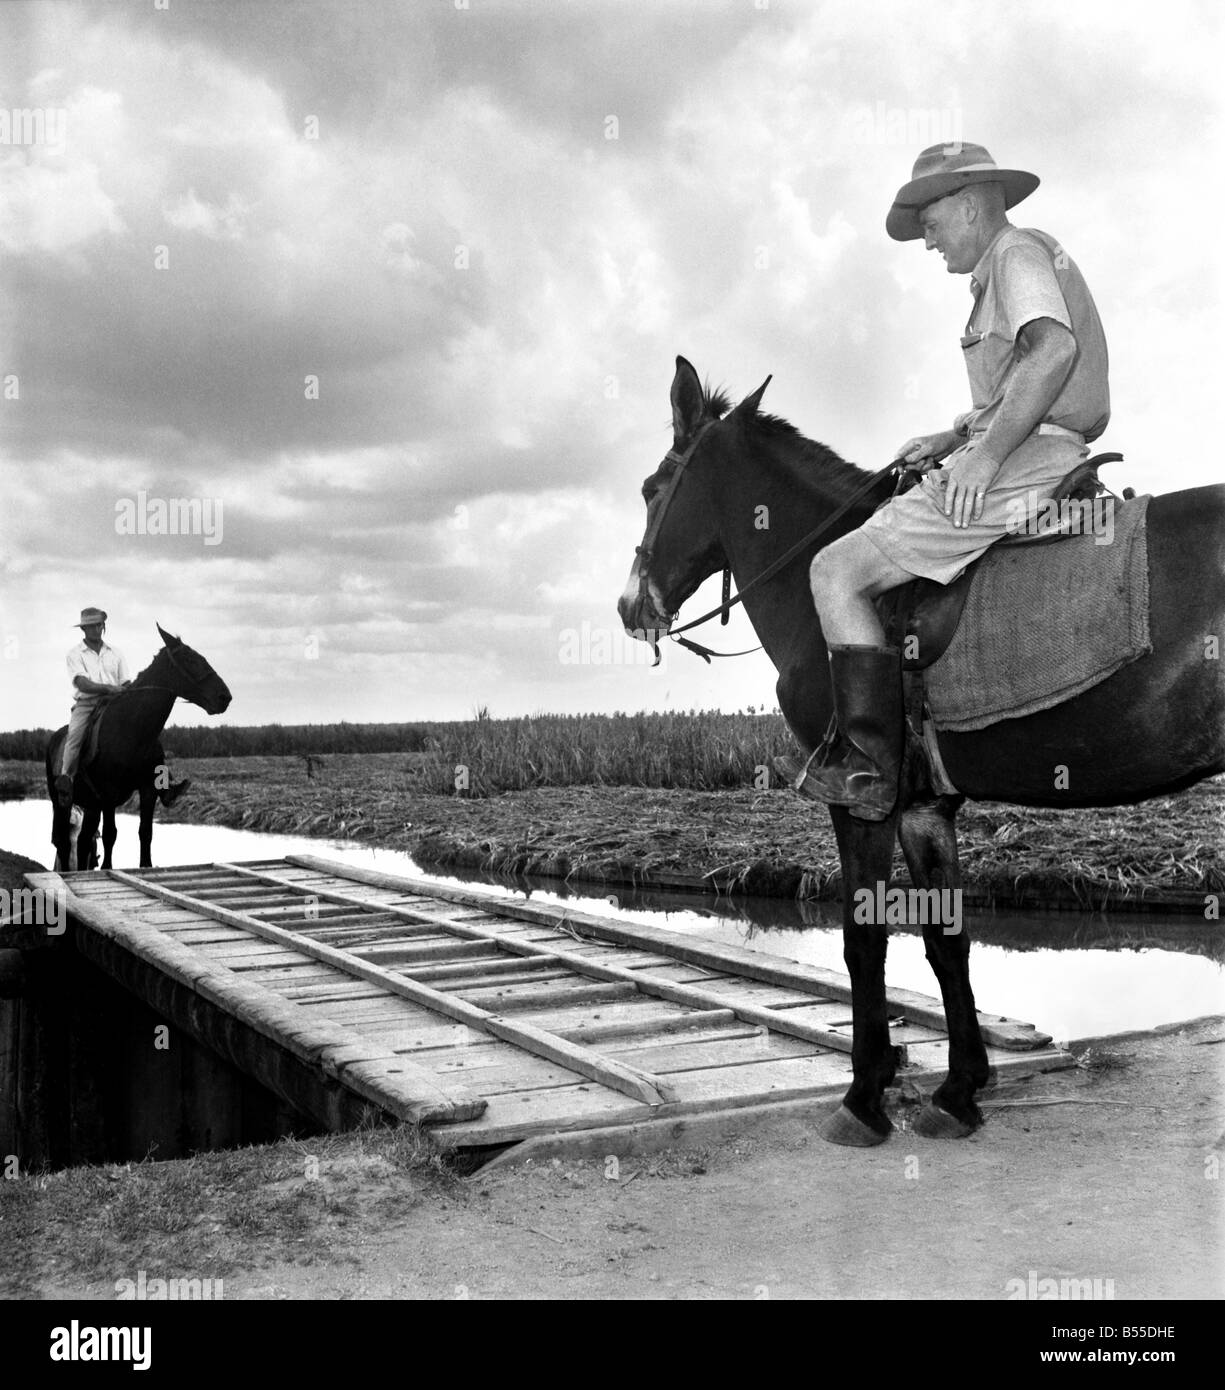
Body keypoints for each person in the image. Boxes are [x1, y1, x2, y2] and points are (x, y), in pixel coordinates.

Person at [786, 141, 1110, 820]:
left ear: (967, 207)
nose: (928, 243)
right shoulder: (1004, 269)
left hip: (1028, 459)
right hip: (1028, 444)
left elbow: (1054, 350)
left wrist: (983, 459)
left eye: (931, 225)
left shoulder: (1015, 253)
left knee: (834, 571)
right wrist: (953, 437)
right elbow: (1018, 383)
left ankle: (870, 765)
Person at [55, 607, 191, 810]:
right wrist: (109, 688)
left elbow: (125, 682)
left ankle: (165, 787)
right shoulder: (75, 654)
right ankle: (66, 780)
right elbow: (82, 683)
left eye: (99, 625)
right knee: (74, 737)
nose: (96, 629)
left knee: (152, 744)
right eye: (91, 626)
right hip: (87, 704)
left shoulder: (115, 653)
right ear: (83, 629)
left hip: (115, 703)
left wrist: (132, 693)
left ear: (103, 626)